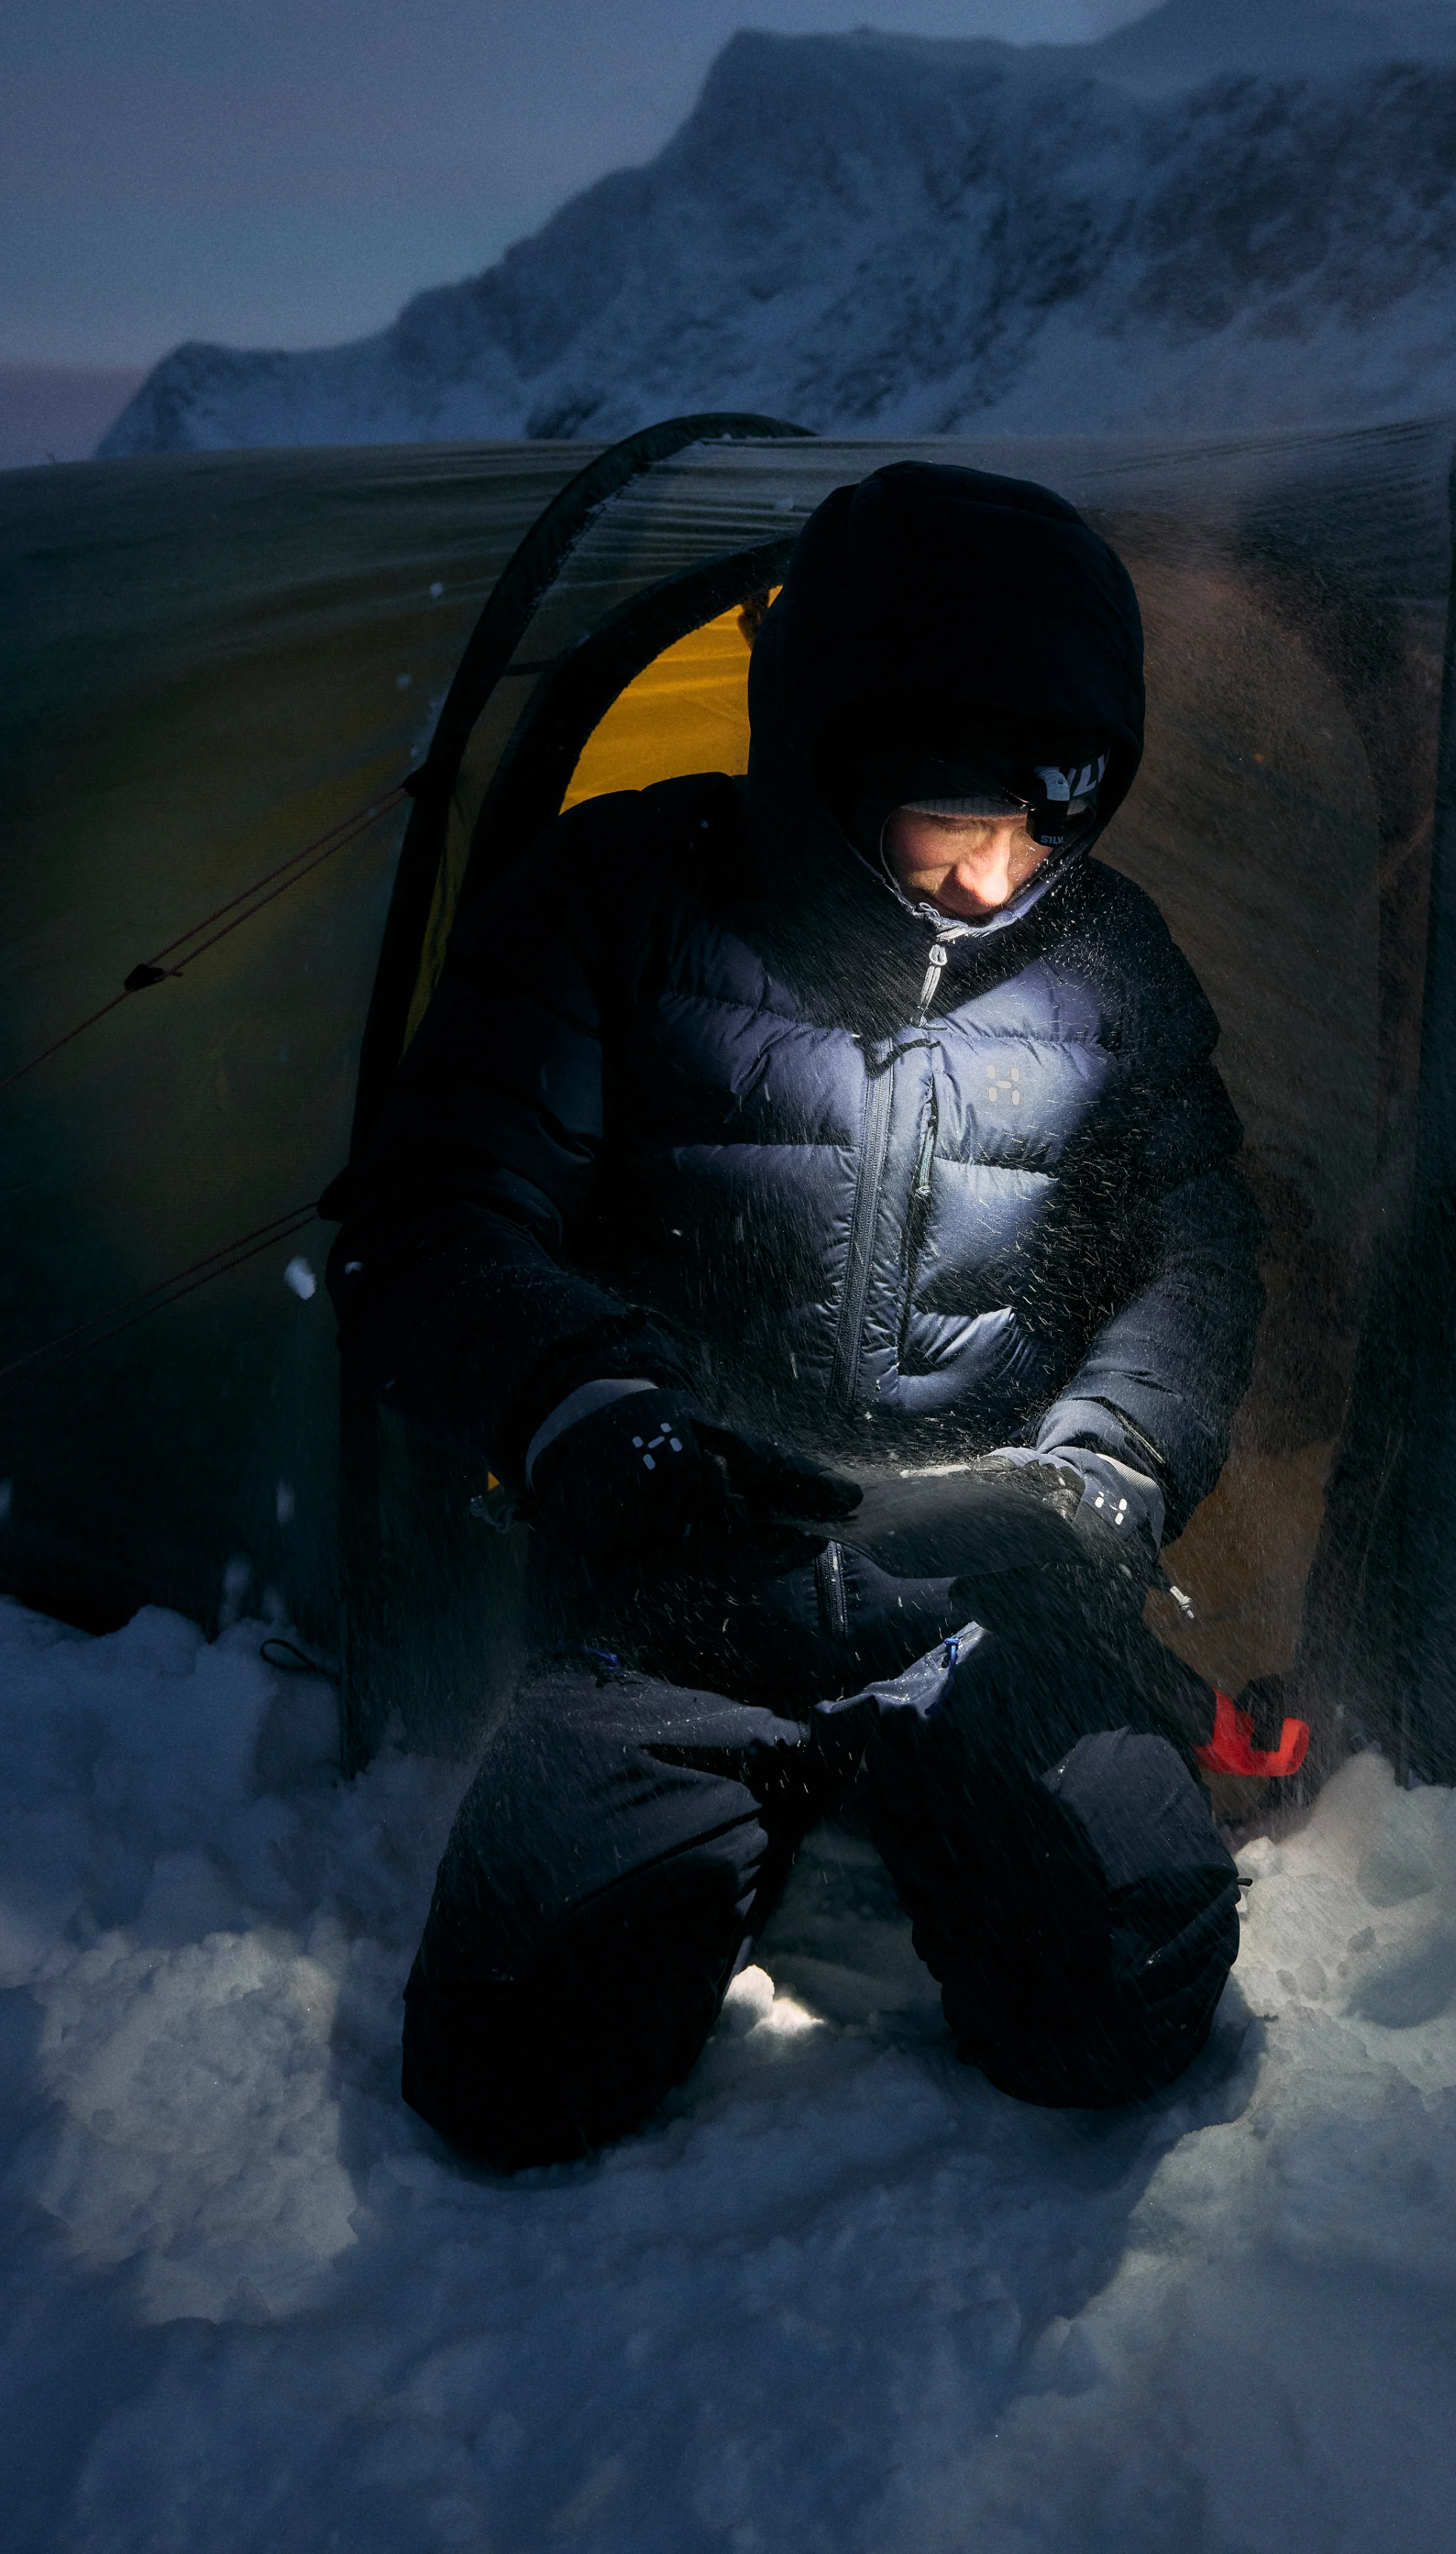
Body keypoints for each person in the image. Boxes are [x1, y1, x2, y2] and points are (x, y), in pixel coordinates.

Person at [332, 461, 1266, 2170]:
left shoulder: (1108, 964)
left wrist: (1106, 1468)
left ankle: (938, 1799)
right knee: (515, 2062)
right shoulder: (616, 903)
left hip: (987, 1582)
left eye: (1040, 831)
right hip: (681, 1571)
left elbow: (1193, 1258)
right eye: (950, 824)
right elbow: (429, 1225)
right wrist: (594, 1418)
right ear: (829, 754)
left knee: (1120, 2003)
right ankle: (721, 1832)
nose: (996, 882)